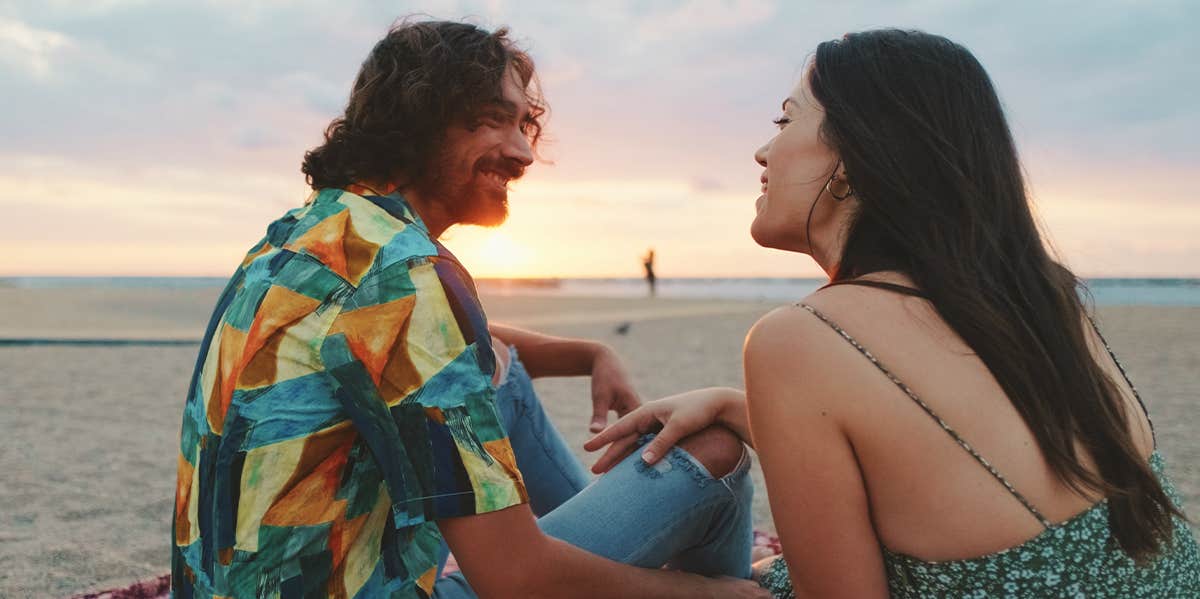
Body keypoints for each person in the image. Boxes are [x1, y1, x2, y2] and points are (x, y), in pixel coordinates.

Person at [587, 29, 1200, 598]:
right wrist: (734, 407)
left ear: (855, 153)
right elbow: (948, 464)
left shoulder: (804, 339)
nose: (761, 150)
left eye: (785, 118)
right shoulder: (1040, 296)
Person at [170, 19, 767, 599]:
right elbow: (516, 581)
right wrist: (692, 591)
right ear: (415, 122)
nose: (523, 153)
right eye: (491, 122)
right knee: (713, 452)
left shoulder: (308, 235)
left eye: (524, 125)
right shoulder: (403, 277)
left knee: (499, 368)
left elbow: (427, 344)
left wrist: (591, 353)